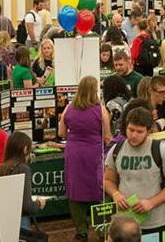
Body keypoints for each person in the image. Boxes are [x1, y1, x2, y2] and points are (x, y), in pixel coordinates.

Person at [105, 107, 165, 235]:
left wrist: (152, 202)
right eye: (131, 130)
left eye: (140, 131)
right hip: (125, 224)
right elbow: (108, 179)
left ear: (149, 131)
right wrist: (115, 194)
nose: (134, 135)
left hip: (156, 222)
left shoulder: (162, 150)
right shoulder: (116, 150)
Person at [58, 76, 111, 242]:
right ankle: (102, 231)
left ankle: (81, 231)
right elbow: (107, 136)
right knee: (99, 190)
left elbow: (61, 133)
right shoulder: (100, 109)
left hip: (74, 153)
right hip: (94, 153)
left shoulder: (69, 108)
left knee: (76, 191)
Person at [0, 132, 46, 229]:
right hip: (20, 221)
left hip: (3, 221)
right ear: (25, 149)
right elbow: (27, 207)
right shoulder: (23, 168)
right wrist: (39, 203)